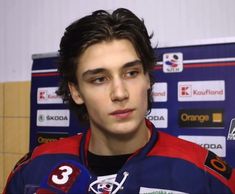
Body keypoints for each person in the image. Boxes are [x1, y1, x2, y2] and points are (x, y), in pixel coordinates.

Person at [3, 8, 235, 194]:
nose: (120, 93)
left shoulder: (203, 175)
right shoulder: (33, 170)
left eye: (131, 73)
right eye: (99, 79)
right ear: (76, 92)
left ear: (148, 79)